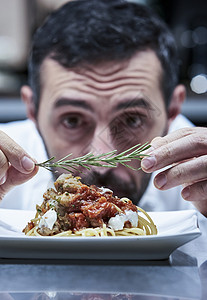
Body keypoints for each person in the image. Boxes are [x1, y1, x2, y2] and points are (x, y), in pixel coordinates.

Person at [0, 0, 206, 217]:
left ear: (172, 108)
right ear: (32, 110)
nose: (101, 163)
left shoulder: (197, 170)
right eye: (72, 120)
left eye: (132, 120)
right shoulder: (6, 168)